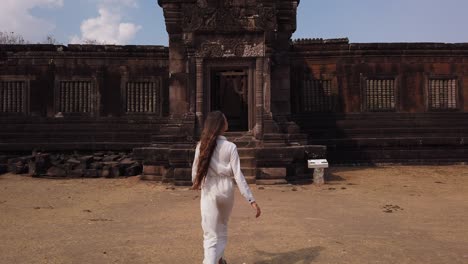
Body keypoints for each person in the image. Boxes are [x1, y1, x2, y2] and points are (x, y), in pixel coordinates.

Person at [192, 111, 261, 264]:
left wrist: (198, 185)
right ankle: (218, 260)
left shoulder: (201, 146)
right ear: (221, 126)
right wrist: (251, 199)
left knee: (210, 235)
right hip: (226, 189)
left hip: (209, 188)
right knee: (221, 229)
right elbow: (238, 175)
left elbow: (195, 172)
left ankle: (212, 261)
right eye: (225, 120)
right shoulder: (230, 147)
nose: (227, 122)